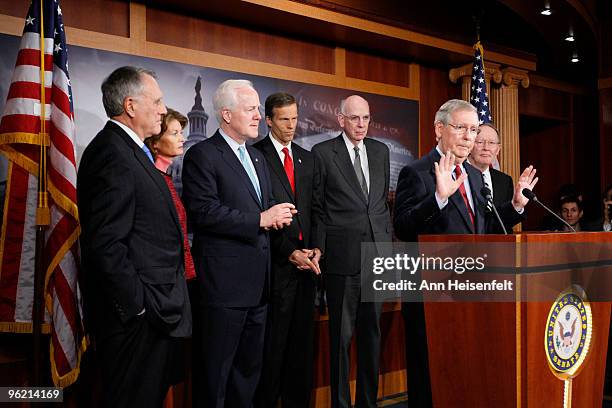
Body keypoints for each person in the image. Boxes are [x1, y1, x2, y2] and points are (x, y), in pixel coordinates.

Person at [393, 99, 538, 407]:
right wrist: (437, 199)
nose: (469, 137)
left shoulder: (473, 175)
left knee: (465, 376)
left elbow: (484, 229)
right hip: (432, 297)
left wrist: (515, 207)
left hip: (471, 292)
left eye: (473, 129)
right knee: (431, 378)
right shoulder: (415, 172)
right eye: (461, 128)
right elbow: (403, 228)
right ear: (439, 129)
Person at [77, 66, 192, 407]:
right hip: (136, 320)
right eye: (156, 101)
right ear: (130, 105)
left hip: (156, 313)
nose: (162, 108)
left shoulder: (133, 151)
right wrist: (138, 307)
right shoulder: (111, 153)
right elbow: (106, 245)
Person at [182, 79, 296, 407]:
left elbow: (265, 208)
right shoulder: (202, 155)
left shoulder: (257, 158)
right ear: (227, 115)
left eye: (258, 108)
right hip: (223, 292)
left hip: (259, 289)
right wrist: (261, 219)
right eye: (251, 109)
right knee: (215, 379)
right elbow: (203, 212)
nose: (259, 115)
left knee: (248, 377)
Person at [311, 95, 392, 408]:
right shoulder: (322, 153)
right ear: (340, 119)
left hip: (378, 257)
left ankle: (368, 403)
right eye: (355, 118)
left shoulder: (380, 150)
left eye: (366, 118)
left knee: (371, 337)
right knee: (341, 340)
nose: (361, 125)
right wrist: (319, 247)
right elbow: (317, 207)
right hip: (341, 259)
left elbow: (381, 205)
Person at [253, 92, 320, 408]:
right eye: (284, 119)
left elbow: (317, 209)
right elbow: (260, 213)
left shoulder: (308, 158)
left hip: (308, 270)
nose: (291, 125)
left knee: (302, 351)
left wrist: (316, 248)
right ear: (268, 120)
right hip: (275, 269)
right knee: (272, 350)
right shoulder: (255, 156)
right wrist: (289, 252)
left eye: (295, 118)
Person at [144, 108, 196, 281]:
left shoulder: (167, 177)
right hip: (159, 278)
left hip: (176, 277)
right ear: (154, 143)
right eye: (175, 133)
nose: (182, 138)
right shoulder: (151, 179)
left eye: (181, 133)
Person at [467, 122, 515, 233]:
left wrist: (516, 206)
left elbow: (504, 225)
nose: (486, 148)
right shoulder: (457, 175)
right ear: (470, 145)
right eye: (480, 142)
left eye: (492, 143)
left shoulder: (505, 181)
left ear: (498, 149)